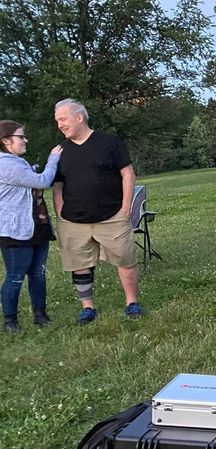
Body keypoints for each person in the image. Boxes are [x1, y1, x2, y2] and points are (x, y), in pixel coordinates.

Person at [52, 99, 142, 324]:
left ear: (79, 117)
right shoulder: (59, 151)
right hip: (73, 220)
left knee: (125, 259)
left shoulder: (108, 142)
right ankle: (88, 308)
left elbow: (127, 174)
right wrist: (60, 212)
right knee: (80, 264)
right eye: (57, 121)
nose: (60, 125)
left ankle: (132, 303)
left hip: (112, 215)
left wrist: (125, 207)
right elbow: (58, 185)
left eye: (63, 119)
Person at [0, 121, 61, 333]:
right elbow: (42, 181)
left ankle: (40, 315)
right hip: (16, 231)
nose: (25, 140)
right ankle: (10, 322)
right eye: (20, 137)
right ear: (6, 141)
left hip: (36, 225)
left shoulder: (17, 162)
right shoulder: (6, 164)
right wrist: (53, 159)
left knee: (38, 273)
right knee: (15, 276)